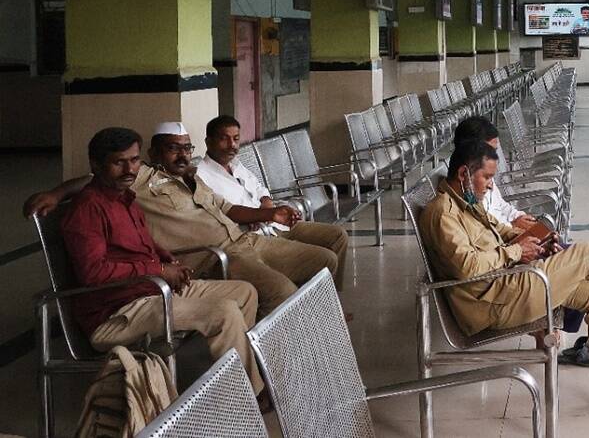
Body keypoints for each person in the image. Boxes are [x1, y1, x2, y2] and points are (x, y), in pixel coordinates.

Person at [419, 141, 589, 412]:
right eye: (487, 177)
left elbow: (500, 231)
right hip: (491, 301)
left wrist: (538, 240)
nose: (491, 185)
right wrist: (515, 252)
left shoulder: (466, 202)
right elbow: (468, 265)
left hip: (505, 286)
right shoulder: (442, 213)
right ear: (463, 174)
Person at [24, 122, 339, 318]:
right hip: (215, 257)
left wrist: (269, 213)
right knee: (279, 290)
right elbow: (92, 179)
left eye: (186, 147)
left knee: (325, 258)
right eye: (173, 149)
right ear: (155, 151)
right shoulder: (140, 178)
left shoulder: (192, 178)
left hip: (245, 240)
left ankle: (319, 323)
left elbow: (227, 209)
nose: (183, 155)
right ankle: (274, 369)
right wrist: (56, 193)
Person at [58, 127, 264, 395]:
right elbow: (93, 273)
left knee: (244, 291)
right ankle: (250, 394)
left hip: (150, 290)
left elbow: (140, 244)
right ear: (96, 165)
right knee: (223, 312)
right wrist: (158, 269)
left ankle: (231, 376)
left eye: (133, 160)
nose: (129, 170)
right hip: (118, 312)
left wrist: (165, 258)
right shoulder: (88, 209)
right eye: (118, 162)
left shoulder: (127, 198)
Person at [451, 116, 589, 364]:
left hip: (504, 257)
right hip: (498, 280)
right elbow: (474, 255)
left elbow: (499, 210)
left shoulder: (478, 181)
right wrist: (516, 241)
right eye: (491, 149)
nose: (496, 155)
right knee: (585, 257)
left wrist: (521, 220)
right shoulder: (461, 199)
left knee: (573, 259)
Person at [197, 115, 349, 289]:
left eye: (236, 139)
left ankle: (331, 298)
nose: (232, 145)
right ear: (208, 142)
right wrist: (257, 216)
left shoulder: (236, 164)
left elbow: (259, 188)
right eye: (224, 139)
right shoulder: (201, 175)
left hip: (275, 224)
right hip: (252, 235)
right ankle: (310, 304)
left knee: (338, 236)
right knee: (323, 258)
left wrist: (267, 202)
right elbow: (218, 212)